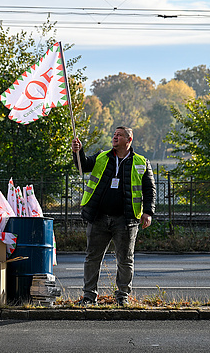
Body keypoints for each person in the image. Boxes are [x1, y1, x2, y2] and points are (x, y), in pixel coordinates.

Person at [71, 126, 156, 306]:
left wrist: (148, 212)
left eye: (119, 135)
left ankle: (122, 296)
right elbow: (82, 165)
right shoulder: (102, 156)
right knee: (92, 258)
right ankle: (89, 297)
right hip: (99, 217)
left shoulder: (141, 162)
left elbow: (150, 190)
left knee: (125, 260)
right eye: (114, 134)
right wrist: (78, 152)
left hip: (126, 220)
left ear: (129, 140)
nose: (115, 137)